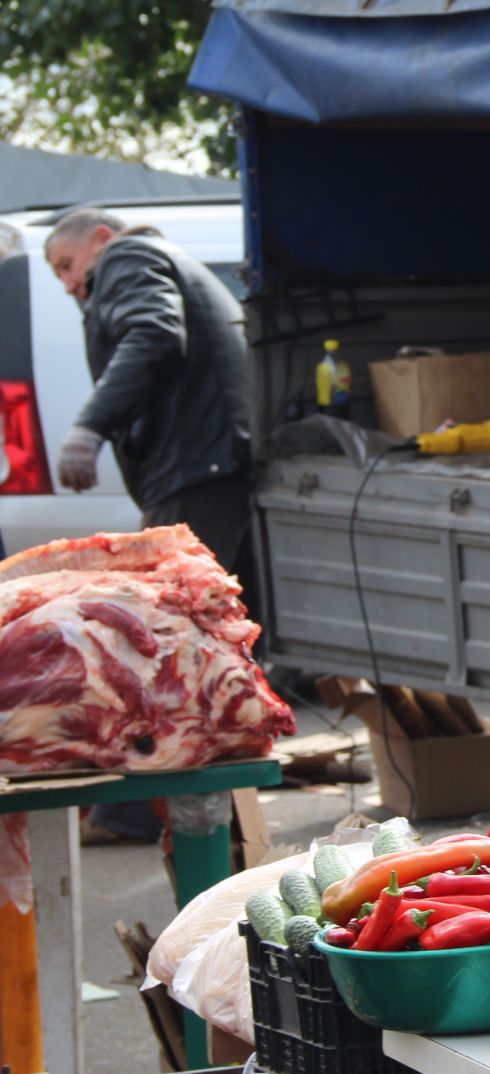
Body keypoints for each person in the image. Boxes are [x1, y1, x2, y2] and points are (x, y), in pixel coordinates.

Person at [44, 208, 256, 842]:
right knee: (197, 640)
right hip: (206, 462)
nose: (67, 283)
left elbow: (154, 333)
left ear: (101, 241)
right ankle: (173, 805)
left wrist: (90, 426)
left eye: (66, 265)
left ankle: (136, 808)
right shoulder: (160, 261)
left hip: (196, 465)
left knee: (156, 636)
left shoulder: (129, 259)